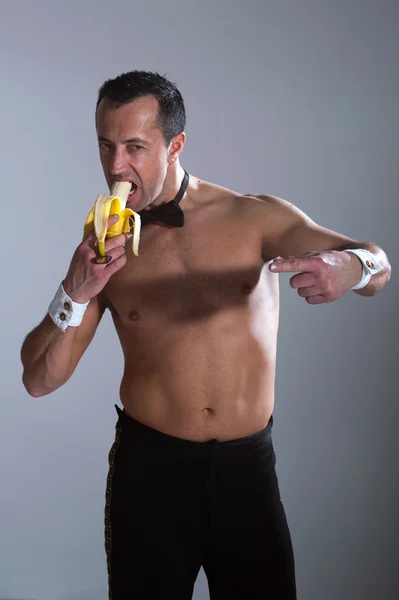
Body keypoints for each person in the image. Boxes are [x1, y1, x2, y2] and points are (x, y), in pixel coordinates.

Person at [20, 71, 391, 600]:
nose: (115, 167)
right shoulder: (103, 244)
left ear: (176, 146)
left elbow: (379, 263)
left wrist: (352, 266)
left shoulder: (254, 217)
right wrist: (74, 292)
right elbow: (39, 379)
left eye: (134, 147)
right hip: (148, 475)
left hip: (247, 474)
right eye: (105, 146)